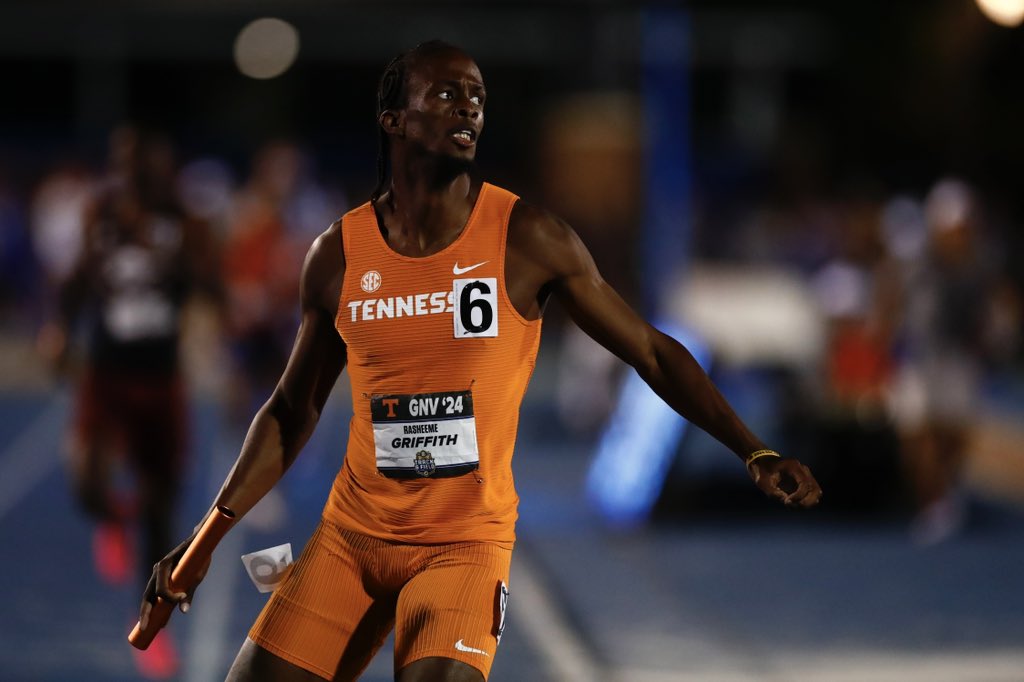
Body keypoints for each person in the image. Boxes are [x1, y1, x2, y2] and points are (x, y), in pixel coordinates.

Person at [140, 41, 822, 682]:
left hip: (462, 549)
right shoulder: (338, 255)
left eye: (476, 96)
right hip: (351, 539)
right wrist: (201, 544)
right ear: (394, 120)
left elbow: (649, 349)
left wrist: (752, 450)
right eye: (443, 94)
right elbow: (292, 409)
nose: (468, 106)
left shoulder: (528, 237)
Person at [52, 125, 217, 677]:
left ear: (162, 167)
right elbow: (78, 278)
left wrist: (170, 257)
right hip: (106, 372)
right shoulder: (101, 212)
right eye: (125, 164)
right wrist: (58, 330)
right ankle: (111, 518)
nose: (135, 176)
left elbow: (212, 287)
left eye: (144, 164)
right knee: (86, 485)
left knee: (161, 510)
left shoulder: (185, 221)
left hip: (160, 378)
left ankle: (149, 624)